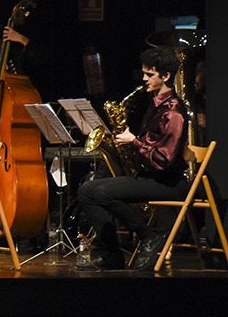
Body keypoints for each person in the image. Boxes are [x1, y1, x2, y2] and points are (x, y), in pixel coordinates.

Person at [75, 46, 189, 271]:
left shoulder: (173, 112)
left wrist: (134, 141)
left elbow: (164, 160)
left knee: (91, 192)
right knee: (89, 190)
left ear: (165, 76)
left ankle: (147, 237)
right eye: (144, 73)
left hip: (168, 183)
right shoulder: (155, 105)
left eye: (150, 74)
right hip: (150, 177)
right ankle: (112, 254)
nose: (144, 79)